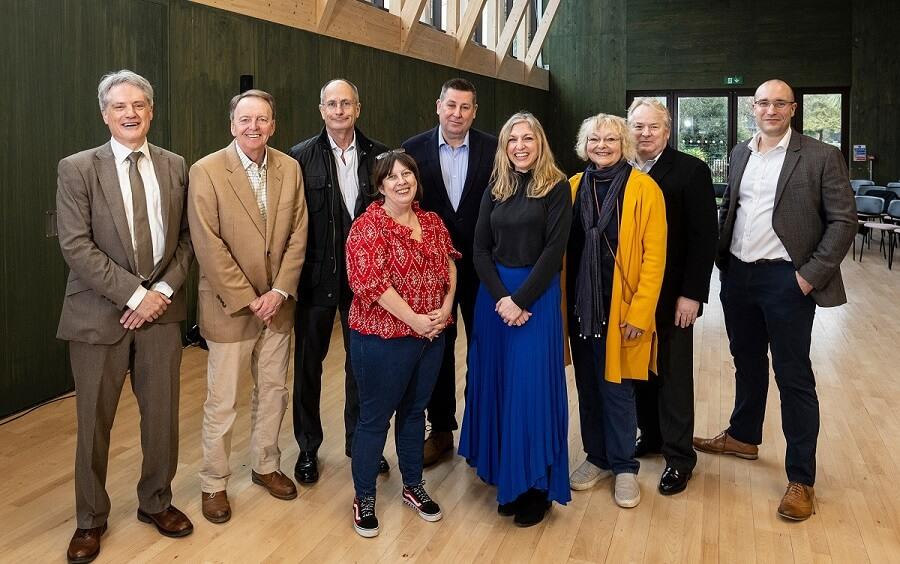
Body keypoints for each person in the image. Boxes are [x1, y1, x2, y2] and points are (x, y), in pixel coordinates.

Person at [693, 79, 856, 521]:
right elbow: (733, 207)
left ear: (793, 109)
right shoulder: (741, 152)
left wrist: (808, 277)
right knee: (745, 361)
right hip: (739, 276)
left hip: (788, 280)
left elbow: (844, 221)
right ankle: (744, 436)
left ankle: (801, 478)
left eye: (779, 103)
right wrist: (720, 260)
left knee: (793, 375)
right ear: (753, 107)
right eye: (763, 102)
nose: (770, 109)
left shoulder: (821, 156)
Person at [56, 69, 194, 564]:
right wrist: (135, 295)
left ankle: (156, 502)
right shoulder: (76, 169)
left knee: (162, 418)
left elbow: (186, 238)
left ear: (151, 111)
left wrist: (158, 292)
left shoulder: (177, 165)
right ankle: (89, 520)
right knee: (94, 422)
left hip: (162, 311)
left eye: (139, 104)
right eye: (120, 106)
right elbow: (76, 245)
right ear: (104, 113)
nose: (130, 113)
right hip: (98, 315)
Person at [188, 89, 309, 524]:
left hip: (278, 306)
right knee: (222, 402)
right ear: (232, 125)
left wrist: (279, 291)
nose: (254, 127)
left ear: (273, 125)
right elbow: (207, 242)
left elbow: (299, 234)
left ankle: (265, 465)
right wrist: (249, 296)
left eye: (262, 120)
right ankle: (213, 482)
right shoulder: (206, 171)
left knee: (273, 391)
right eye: (245, 120)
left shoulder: (289, 168)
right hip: (230, 307)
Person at [459, 111, 573, 527]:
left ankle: (535, 486)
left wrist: (521, 300)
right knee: (497, 385)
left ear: (540, 143)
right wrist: (502, 298)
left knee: (530, 390)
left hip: (537, 300)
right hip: (495, 300)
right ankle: (506, 475)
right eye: (512, 139)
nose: (520, 146)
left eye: (528, 138)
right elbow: (479, 250)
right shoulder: (496, 185)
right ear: (504, 146)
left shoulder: (557, 187)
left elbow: (553, 252)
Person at [345, 150, 459, 537]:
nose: (401, 181)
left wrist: (445, 309)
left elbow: (450, 265)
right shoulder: (368, 226)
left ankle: (413, 486)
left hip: (431, 337)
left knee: (414, 414)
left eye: (406, 173)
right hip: (382, 339)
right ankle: (364, 496)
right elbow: (370, 284)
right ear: (380, 186)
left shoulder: (431, 221)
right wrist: (415, 320)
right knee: (375, 418)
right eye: (391, 177)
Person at [289, 79, 389, 484]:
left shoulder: (380, 155)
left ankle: (360, 444)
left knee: (361, 365)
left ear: (358, 108)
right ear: (321, 109)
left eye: (346, 103)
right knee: (308, 366)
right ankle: (308, 448)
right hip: (314, 278)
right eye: (332, 103)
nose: (339, 110)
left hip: (363, 281)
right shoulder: (299, 158)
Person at [565, 113, 667, 509]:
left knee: (619, 390)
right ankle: (598, 458)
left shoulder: (644, 188)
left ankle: (625, 466)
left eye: (610, 139)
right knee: (589, 387)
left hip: (622, 308)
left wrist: (640, 315)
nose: (602, 145)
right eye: (594, 139)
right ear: (584, 144)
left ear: (624, 143)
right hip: (581, 306)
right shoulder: (573, 186)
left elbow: (655, 257)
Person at [401, 78, 498, 467]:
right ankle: (440, 429)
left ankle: (480, 429)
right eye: (451, 106)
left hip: (483, 265)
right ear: (438, 106)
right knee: (436, 350)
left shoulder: (494, 149)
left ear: (474, 112)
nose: (457, 114)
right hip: (432, 270)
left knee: (483, 347)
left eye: (465, 108)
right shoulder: (412, 149)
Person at [626, 98, 718, 496]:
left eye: (652, 127)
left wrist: (692, 295)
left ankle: (680, 457)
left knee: (674, 376)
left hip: (674, 295)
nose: (644, 134)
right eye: (638, 127)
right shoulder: (622, 169)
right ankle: (651, 437)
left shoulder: (691, 171)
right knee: (641, 372)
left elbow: (704, 239)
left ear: (667, 130)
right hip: (633, 296)